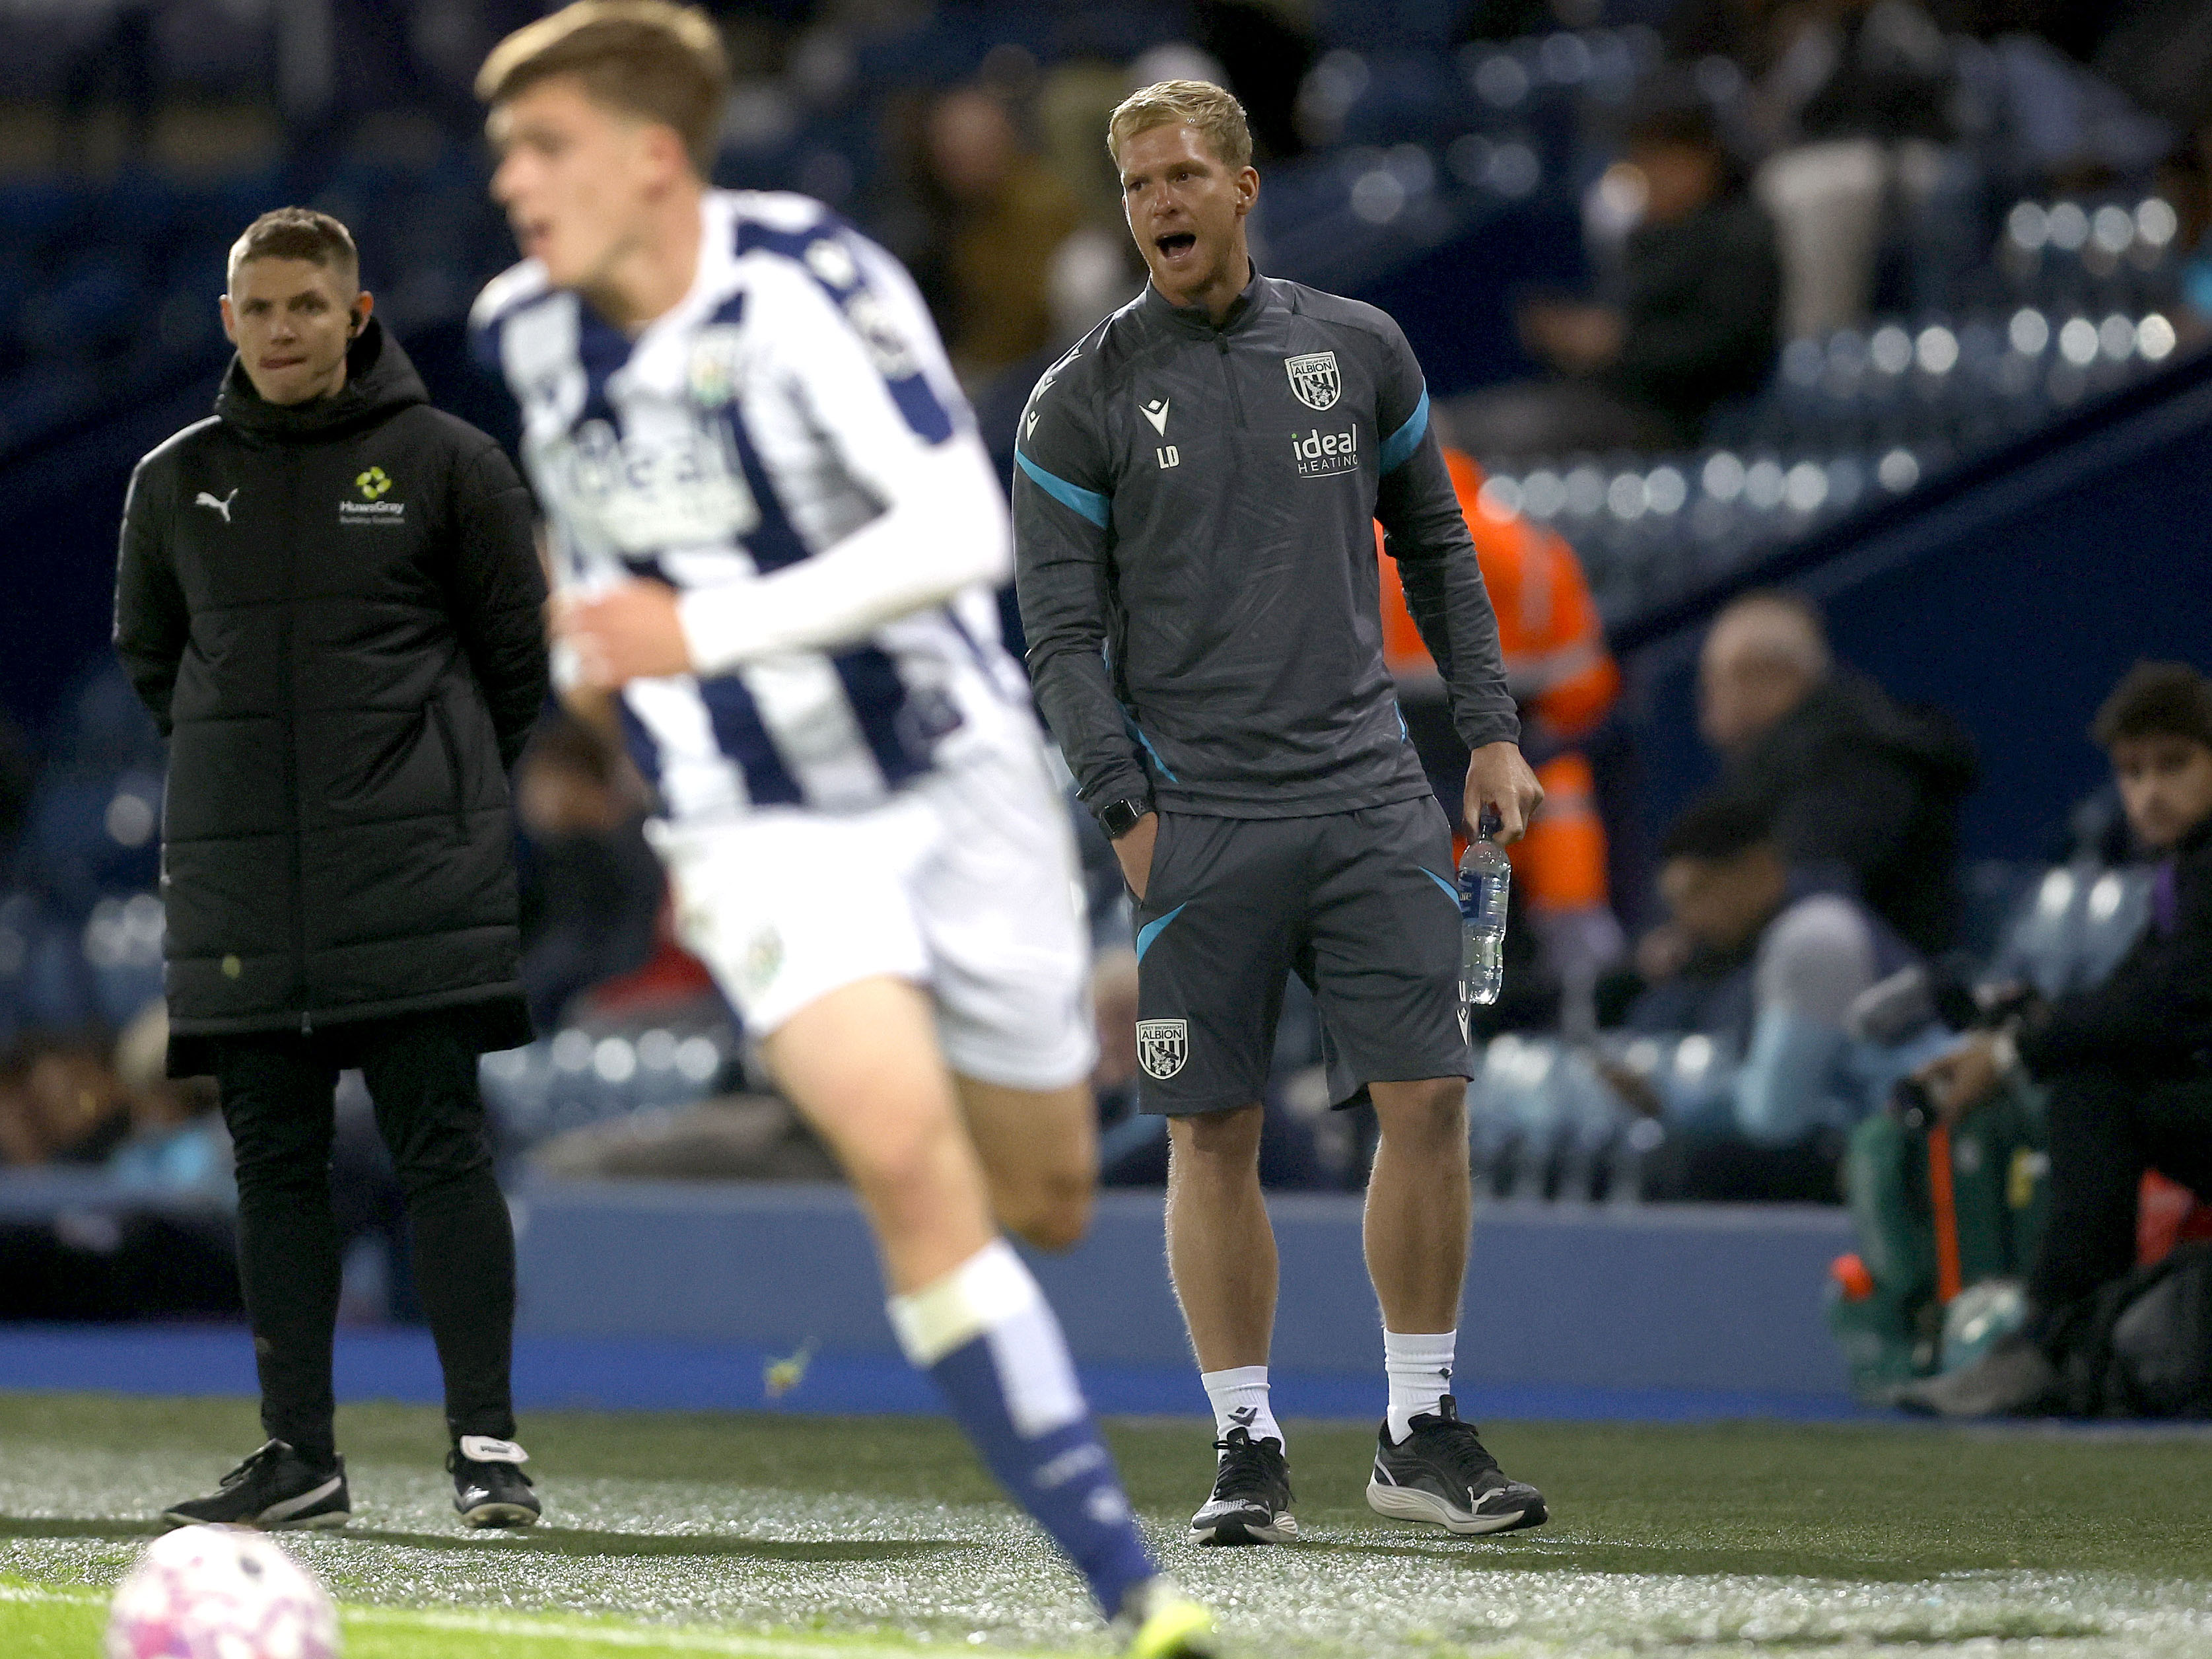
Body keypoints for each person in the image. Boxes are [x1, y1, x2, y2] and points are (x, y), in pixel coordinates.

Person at [468, 8, 1212, 1654]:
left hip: (951, 783)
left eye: (544, 147)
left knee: (1047, 1193)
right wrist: (594, 643)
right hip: (754, 824)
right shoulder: (526, 325)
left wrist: (693, 634)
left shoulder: (806, 280)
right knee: (904, 1165)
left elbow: (955, 521)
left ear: (653, 157)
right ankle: (1130, 1585)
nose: (509, 179)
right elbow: (595, 533)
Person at [1013, 77, 1549, 1548]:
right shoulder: (1079, 397)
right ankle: (1245, 1439)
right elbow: (1057, 635)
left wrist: (1489, 731)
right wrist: (1123, 810)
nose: (1161, 206)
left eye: (1184, 176)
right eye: (1137, 188)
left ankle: (1416, 1423)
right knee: (1213, 1129)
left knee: (1430, 1095)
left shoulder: (1358, 346)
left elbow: (1434, 542)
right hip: (1197, 812)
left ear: (1246, 187)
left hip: (1370, 783)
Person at [112, 206, 549, 1532]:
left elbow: (515, 668)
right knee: (276, 1169)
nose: (284, 328)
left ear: (357, 315)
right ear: (230, 320)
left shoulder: (450, 462)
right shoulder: (173, 481)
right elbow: (159, 665)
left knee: (439, 1149)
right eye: (261, 307)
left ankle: (487, 1444)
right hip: (251, 891)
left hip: (411, 875)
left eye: (309, 305)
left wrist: (426, 788)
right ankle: (298, 1451)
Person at [1900, 662, 2212, 1417]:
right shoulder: (2182, 874)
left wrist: (2012, 1054)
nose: (2147, 791)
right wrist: (2012, 1040)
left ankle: (2055, 1341)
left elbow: (2161, 1005)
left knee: (2091, 1083)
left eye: (2173, 764)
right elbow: (2128, 991)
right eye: (2130, 772)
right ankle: (2068, 1341)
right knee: (2094, 1075)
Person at [1455, 94, 1781, 458]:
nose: (1647, 177)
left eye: (1657, 161)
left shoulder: (1742, 236)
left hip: (1679, 420)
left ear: (1700, 160)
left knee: (1493, 436)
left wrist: (1615, 345)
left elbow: (1725, 354)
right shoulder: (1652, 234)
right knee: (1453, 426)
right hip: (1605, 401)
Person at [1623, 793, 1913, 1148]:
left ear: (1761, 869)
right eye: (1675, 904)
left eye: (1699, 892)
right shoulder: (1726, 956)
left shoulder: (1816, 936)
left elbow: (1774, 1117)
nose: (1686, 919)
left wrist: (1672, 1101)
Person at [1699, 590, 1976, 958]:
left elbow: (1809, 892)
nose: (1706, 701)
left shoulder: (1859, 759)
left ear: (1768, 676)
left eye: (1715, 680)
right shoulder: (1767, 775)